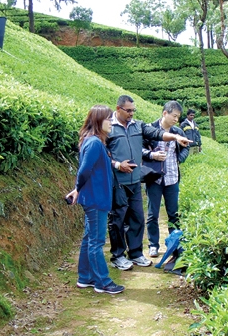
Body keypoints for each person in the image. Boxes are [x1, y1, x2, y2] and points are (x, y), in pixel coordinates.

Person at [107, 95, 191, 270]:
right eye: (128, 110)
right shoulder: (108, 127)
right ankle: (118, 256)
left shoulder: (138, 125)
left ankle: (136, 253)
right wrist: (116, 164)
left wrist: (175, 138)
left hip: (135, 180)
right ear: (118, 109)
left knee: (137, 217)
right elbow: (101, 153)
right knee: (118, 220)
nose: (131, 113)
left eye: (133, 110)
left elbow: (157, 133)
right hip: (118, 181)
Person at [66, 105, 124, 295]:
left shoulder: (94, 142)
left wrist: (78, 189)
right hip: (96, 199)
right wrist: (77, 188)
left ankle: (85, 277)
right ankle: (102, 282)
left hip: (94, 198)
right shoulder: (95, 144)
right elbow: (84, 170)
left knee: (89, 238)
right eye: (109, 119)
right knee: (96, 242)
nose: (112, 122)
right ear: (99, 121)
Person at [142, 101, 189, 258]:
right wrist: (152, 155)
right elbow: (139, 148)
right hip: (154, 178)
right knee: (152, 214)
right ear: (165, 113)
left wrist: (179, 159)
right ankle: (153, 244)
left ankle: (174, 244)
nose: (176, 119)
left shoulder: (177, 131)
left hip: (172, 178)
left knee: (173, 214)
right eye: (174, 116)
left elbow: (186, 147)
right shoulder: (150, 129)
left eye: (178, 117)